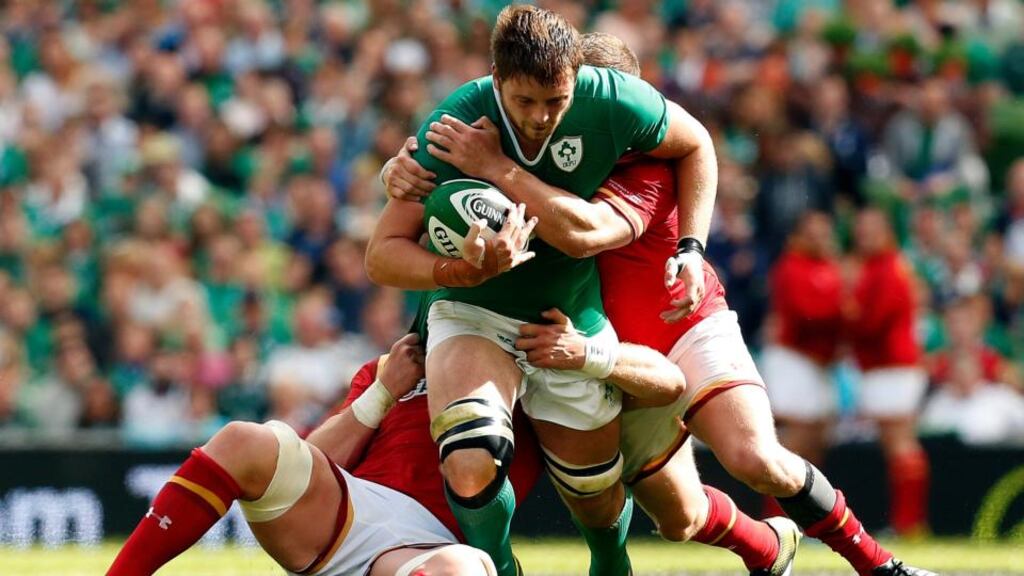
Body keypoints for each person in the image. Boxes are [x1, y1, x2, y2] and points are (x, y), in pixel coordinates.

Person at [384, 28, 936, 576]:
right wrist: (403, 171)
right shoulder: (527, 143)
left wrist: (691, 249)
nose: (551, 119)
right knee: (681, 516)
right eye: (537, 103)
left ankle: (881, 565)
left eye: (563, 104)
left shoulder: (646, 169)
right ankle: (768, 548)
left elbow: (582, 231)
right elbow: (428, 218)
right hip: (604, 340)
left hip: (680, 326)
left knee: (756, 459)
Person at [367, 6, 719, 576]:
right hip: (475, 311)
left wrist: (692, 247)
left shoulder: (614, 100)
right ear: (496, 78)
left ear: (577, 76)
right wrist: (462, 273)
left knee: (596, 498)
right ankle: (499, 568)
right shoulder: (457, 120)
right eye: (524, 101)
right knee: (469, 458)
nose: (540, 117)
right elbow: (381, 255)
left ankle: (612, 562)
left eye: (556, 101)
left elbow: (695, 143)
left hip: (568, 316)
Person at [107, 333, 541, 576]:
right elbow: (312, 457)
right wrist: (384, 392)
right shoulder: (392, 364)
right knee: (245, 441)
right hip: (348, 513)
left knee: (454, 572)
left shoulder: (538, 375)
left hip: (428, 545)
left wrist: (590, 358)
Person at [846, 208, 930, 537]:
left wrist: (845, 313)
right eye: (860, 229)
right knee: (897, 444)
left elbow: (871, 321)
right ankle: (908, 522)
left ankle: (910, 523)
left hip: (893, 366)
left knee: (900, 443)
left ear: (886, 232)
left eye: (871, 229)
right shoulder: (878, 266)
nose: (865, 236)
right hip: (887, 366)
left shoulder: (889, 268)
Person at [762, 212, 845, 467]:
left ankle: (809, 505)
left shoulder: (830, 266)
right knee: (798, 435)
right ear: (796, 237)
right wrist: (848, 311)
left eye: (824, 235)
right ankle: (776, 504)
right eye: (812, 235)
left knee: (818, 436)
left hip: (820, 363)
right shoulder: (790, 266)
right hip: (794, 358)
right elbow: (805, 315)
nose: (820, 240)